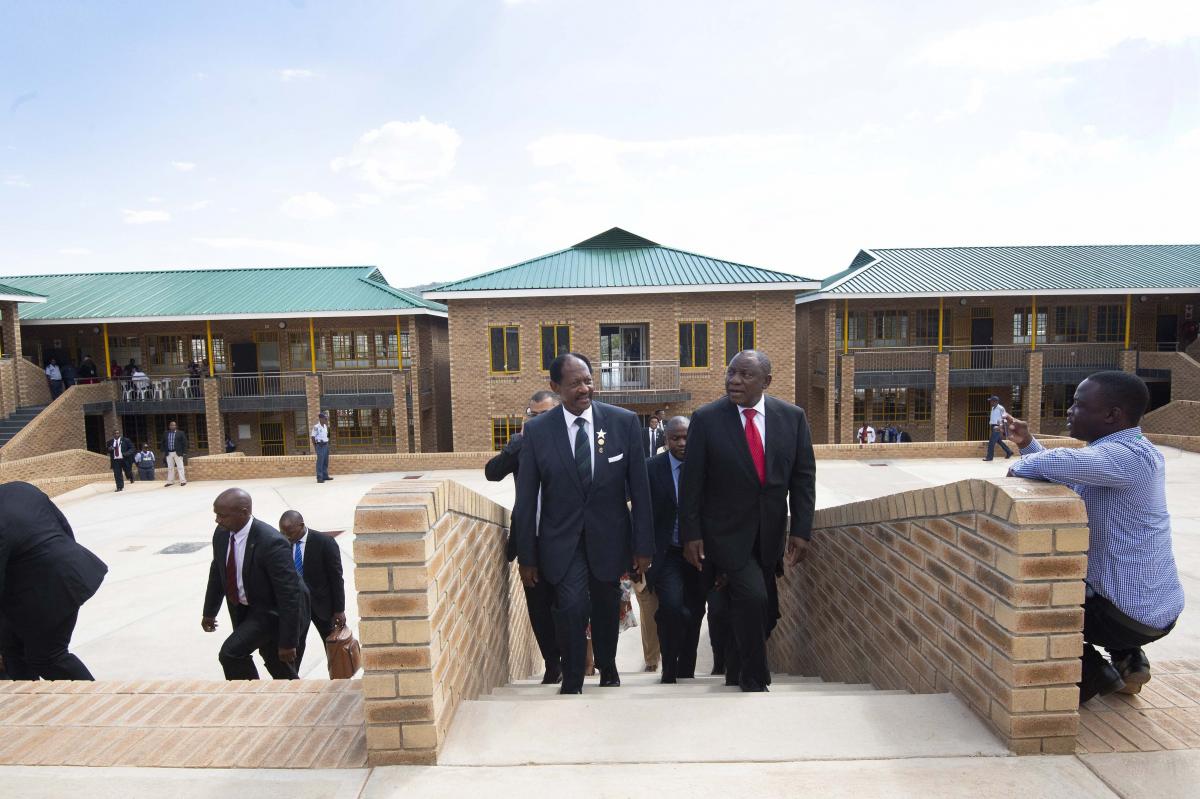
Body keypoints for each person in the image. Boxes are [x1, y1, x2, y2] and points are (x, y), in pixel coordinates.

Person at [1005, 371, 1185, 702]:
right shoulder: (1125, 454)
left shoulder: (1126, 457)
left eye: (1079, 404)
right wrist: (1028, 445)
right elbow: (1066, 469)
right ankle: (1129, 660)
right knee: (1093, 579)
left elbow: (1056, 462)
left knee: (1023, 599)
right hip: (1155, 607)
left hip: (1128, 613)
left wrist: (1019, 469)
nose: (1070, 411)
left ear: (1112, 415)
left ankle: (1089, 677)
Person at [513, 353, 654, 694]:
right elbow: (527, 498)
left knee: (606, 605)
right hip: (561, 541)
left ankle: (607, 665)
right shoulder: (537, 432)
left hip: (610, 538)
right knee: (572, 605)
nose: (585, 388)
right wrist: (526, 556)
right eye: (575, 383)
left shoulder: (623, 423)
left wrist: (643, 546)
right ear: (555, 387)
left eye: (589, 380)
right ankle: (573, 677)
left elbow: (641, 489)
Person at [679, 350, 816, 692]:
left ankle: (735, 667)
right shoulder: (707, 418)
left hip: (769, 535)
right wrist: (691, 534)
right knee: (753, 597)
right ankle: (754, 679)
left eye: (745, 375)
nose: (734, 381)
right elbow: (692, 482)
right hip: (724, 534)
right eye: (731, 373)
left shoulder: (792, 418)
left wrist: (801, 530)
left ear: (766, 381)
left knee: (765, 611)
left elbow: (803, 478)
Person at [484, 389, 563, 684]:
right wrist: (519, 444)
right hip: (531, 540)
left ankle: (572, 658)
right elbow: (492, 473)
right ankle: (552, 664)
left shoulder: (569, 441)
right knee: (538, 607)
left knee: (567, 604)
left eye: (545, 415)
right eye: (533, 416)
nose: (539, 421)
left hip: (565, 539)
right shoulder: (522, 444)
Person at [0, 482, 108, 680]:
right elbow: (64, 527)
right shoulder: (21, 489)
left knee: (47, 657)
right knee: (12, 648)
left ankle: (94, 698)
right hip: (71, 569)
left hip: (50, 590)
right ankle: (27, 701)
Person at [201, 488, 307, 680]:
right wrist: (209, 612)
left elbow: (289, 594)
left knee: (231, 654)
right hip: (243, 608)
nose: (217, 520)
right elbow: (218, 572)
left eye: (222, 516)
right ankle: (295, 696)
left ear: (244, 512)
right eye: (216, 515)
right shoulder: (222, 534)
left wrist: (288, 641)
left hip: (271, 612)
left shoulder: (271, 542)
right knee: (275, 661)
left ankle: (251, 696)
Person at [646, 416, 707, 683]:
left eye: (686, 437)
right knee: (671, 609)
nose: (682, 443)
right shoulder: (651, 468)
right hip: (667, 553)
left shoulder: (707, 467)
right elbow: (641, 514)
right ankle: (669, 665)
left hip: (700, 555)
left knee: (694, 612)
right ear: (666, 439)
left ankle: (687, 669)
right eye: (675, 438)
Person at [279, 510, 346, 672]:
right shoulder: (281, 543)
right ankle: (291, 678)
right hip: (296, 607)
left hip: (322, 606)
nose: (287, 536)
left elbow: (336, 578)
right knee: (294, 646)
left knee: (334, 646)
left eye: (290, 532)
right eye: (283, 532)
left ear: (301, 525)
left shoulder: (324, 542)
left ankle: (339, 677)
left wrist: (339, 610)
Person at [983, 395, 1013, 461]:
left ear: (995, 401)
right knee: (999, 441)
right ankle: (1009, 452)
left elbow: (1005, 418)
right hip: (993, 426)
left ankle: (989, 457)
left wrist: (1001, 427)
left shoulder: (1001, 408)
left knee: (991, 442)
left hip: (997, 426)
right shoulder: (993, 408)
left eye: (991, 401)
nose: (990, 403)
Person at [161, 420, 188, 487]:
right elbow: (163, 443)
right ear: (169, 426)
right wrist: (163, 452)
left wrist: (184, 452)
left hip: (177, 453)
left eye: (174, 425)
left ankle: (183, 481)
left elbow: (184, 443)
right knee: (170, 468)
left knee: (180, 467)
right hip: (169, 453)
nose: (172, 426)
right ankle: (170, 482)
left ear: (176, 426)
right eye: (171, 425)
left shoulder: (180, 433)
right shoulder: (166, 433)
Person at [311, 411, 332, 483]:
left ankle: (325, 476)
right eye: (324, 418)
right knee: (320, 462)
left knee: (325, 461)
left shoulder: (325, 426)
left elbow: (326, 436)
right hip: (320, 446)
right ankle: (319, 478)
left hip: (326, 445)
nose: (326, 420)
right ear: (320, 419)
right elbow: (313, 437)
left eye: (326, 418)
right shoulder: (316, 427)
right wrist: (315, 446)